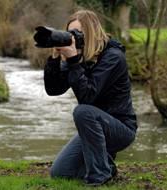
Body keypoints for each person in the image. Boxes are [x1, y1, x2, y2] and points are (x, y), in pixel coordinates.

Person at [43, 10, 138, 186]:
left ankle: (100, 177)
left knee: (82, 111)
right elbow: (53, 89)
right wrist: (55, 59)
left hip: (120, 128)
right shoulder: (80, 57)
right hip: (93, 128)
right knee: (60, 173)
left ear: (91, 33)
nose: (73, 38)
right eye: (70, 33)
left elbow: (87, 97)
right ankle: (107, 166)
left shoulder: (113, 57)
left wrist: (73, 61)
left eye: (77, 33)